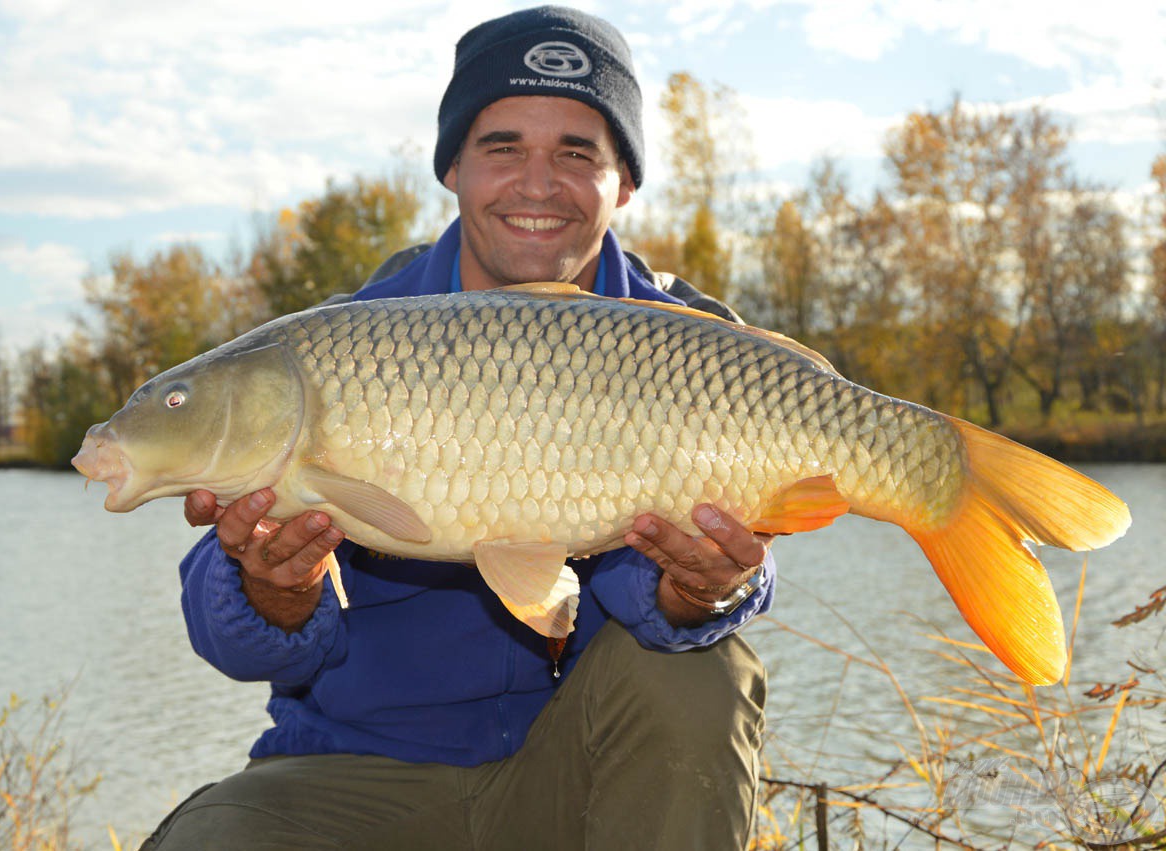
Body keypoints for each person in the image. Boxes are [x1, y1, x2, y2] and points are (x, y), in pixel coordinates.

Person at [144, 6, 775, 849]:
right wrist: (274, 590)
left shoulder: (686, 349)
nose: (537, 183)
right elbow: (231, 638)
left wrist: (704, 590)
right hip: (361, 774)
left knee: (700, 672)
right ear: (453, 169)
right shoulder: (340, 346)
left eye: (577, 153)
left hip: (583, 769)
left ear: (624, 183)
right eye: (503, 146)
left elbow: (677, 584)